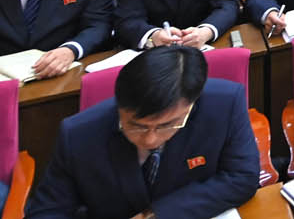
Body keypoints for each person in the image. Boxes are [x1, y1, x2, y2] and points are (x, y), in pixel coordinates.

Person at [25, 45, 260, 219]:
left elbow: (242, 177)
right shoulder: (78, 134)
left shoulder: (225, 104)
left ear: (191, 105)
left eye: (168, 125)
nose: (150, 139)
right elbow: (47, 212)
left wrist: (158, 214)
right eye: (136, 125)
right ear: (119, 105)